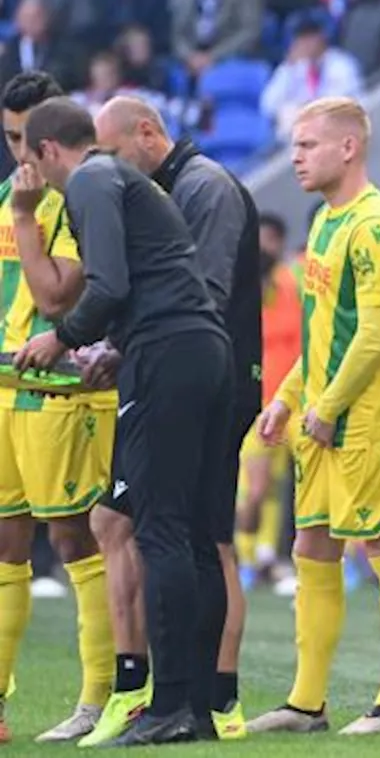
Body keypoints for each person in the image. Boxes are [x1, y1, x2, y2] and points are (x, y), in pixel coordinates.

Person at [14, 96, 234, 746]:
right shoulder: (121, 180)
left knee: (158, 531)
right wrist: (109, 346)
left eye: (31, 158)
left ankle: (167, 706)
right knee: (189, 535)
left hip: (168, 354)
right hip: (200, 349)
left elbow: (105, 286)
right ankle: (194, 705)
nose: (35, 176)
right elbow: (135, 283)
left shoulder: (90, 179)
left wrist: (61, 338)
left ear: (49, 149)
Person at [80, 95, 262, 743]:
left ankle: (190, 699)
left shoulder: (203, 187)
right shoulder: (165, 191)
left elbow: (198, 296)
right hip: (199, 372)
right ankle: (186, 701)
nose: (105, 167)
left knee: (190, 537)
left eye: (109, 152)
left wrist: (109, 342)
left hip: (204, 379)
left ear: (148, 134)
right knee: (160, 530)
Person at [246, 96, 380, 736]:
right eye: (294, 146)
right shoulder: (323, 222)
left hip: (371, 421)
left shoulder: (379, 225)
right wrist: (288, 399)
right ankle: (306, 703)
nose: (295, 157)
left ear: (348, 148)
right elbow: (322, 334)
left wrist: (324, 407)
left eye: (307, 145)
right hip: (322, 419)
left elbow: (374, 338)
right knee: (311, 546)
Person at [0, 72, 116, 745]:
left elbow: (59, 301)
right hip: (7, 392)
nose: (20, 154)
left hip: (65, 392)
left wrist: (24, 215)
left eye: (27, 139)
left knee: (75, 538)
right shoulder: (8, 198)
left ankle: (99, 696)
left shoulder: (79, 200)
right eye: (9, 136)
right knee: (7, 544)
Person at [236, 214, 302, 591]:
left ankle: (264, 557)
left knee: (284, 485)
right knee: (257, 490)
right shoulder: (235, 291)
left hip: (291, 401)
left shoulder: (292, 284)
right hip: (253, 402)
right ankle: (244, 556)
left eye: (273, 240)